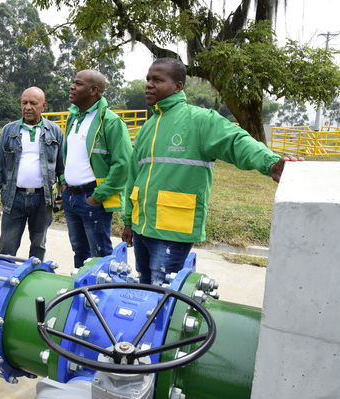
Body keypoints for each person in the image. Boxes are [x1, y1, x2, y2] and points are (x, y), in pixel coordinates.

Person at [122, 58, 302, 286]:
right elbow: (133, 179)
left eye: (158, 80)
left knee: (164, 295)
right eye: (148, 79)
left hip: (172, 230)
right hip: (141, 228)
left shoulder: (200, 120)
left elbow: (236, 142)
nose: (149, 84)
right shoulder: (147, 128)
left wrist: (272, 163)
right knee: (145, 288)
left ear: (177, 87)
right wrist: (128, 221)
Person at [60, 70, 133, 268]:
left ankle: (100, 294)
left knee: (99, 255)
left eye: (78, 84)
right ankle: (81, 293)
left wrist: (97, 196)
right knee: (79, 251)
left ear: (94, 90)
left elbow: (123, 164)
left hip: (93, 198)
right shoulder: (73, 118)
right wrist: (64, 184)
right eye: (73, 82)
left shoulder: (110, 122)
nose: (72, 87)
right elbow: (70, 155)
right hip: (71, 197)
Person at [0, 87, 63, 260]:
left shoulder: (55, 131)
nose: (28, 107)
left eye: (33, 103)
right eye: (24, 103)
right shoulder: (8, 131)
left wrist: (61, 195)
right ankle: (4, 278)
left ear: (44, 106)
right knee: (7, 246)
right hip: (13, 198)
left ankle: (33, 280)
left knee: (38, 246)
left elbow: (61, 167)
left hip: (42, 200)